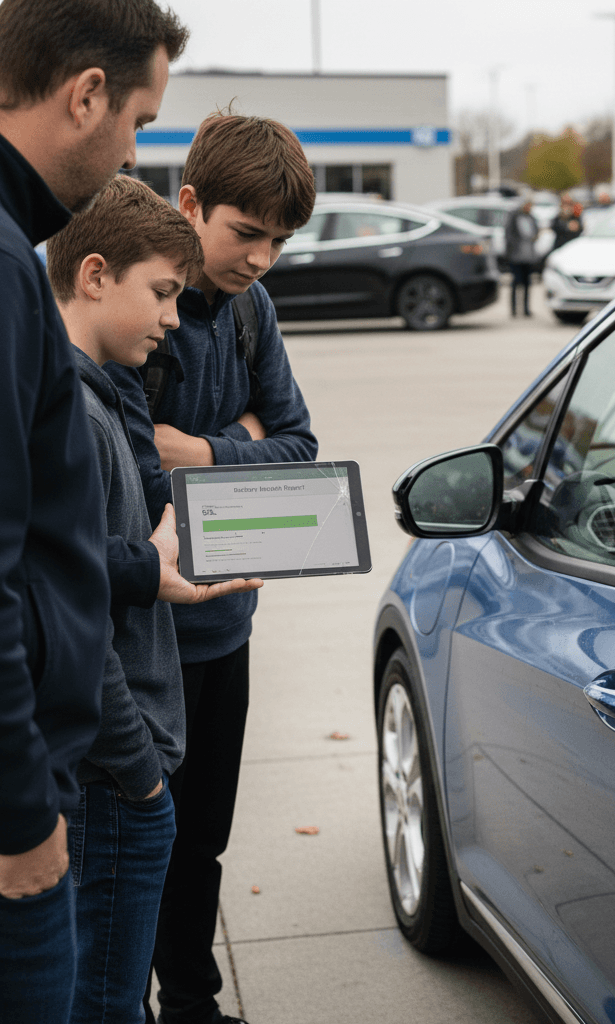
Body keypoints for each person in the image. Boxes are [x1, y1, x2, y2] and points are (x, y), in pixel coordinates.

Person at [106, 112, 318, 1024]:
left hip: (224, 625)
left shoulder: (251, 311)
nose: (263, 257)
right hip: (135, 638)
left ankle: (194, 1002)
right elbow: (123, 464)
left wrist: (202, 451)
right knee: (134, 841)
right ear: (190, 205)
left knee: (203, 844)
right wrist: (246, 442)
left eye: (280, 240)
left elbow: (303, 450)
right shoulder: (134, 302)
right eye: (246, 233)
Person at [0, 3, 187, 1021]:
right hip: (45, 795)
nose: (133, 145)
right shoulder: (5, 268)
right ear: (85, 95)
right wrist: (28, 814)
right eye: (140, 119)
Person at [47, 175, 264, 1024]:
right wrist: (139, 775)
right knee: (106, 1000)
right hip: (112, 778)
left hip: (118, 769)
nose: (175, 318)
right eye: (164, 293)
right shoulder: (73, 412)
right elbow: (70, 609)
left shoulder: (100, 393)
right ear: (95, 275)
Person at [504, 198, 539, 316]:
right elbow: (508, 235)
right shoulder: (514, 217)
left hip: (528, 255)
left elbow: (536, 233)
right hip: (516, 256)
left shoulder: (532, 218)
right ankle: (513, 309)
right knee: (516, 282)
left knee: (527, 283)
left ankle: (526, 309)